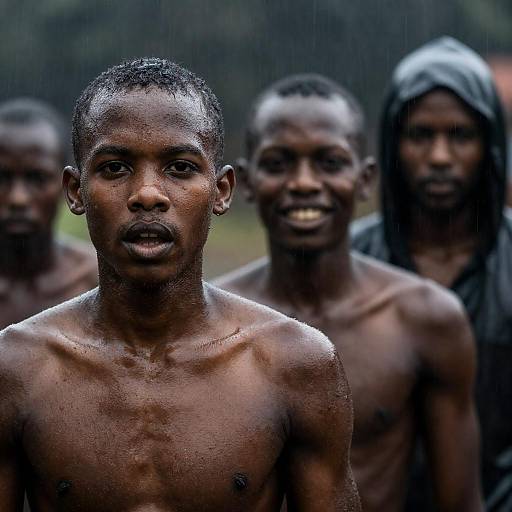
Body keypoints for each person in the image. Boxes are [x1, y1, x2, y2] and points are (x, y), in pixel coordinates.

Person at [0, 58, 360, 512]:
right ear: (75, 191)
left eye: (180, 167)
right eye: (114, 168)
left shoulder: (296, 364)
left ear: (221, 190)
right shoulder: (15, 368)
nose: (147, 194)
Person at [214, 74, 483, 512]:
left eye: (330, 162)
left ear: (364, 178)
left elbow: (461, 502)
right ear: (246, 181)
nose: (303, 182)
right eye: (279, 163)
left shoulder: (424, 319)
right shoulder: (211, 323)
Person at [352, 37, 512, 510]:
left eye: (460, 136)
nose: (440, 156)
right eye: (421, 136)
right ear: (392, 144)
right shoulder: (351, 258)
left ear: (489, 146)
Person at [0, 98, 97, 330]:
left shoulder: (96, 282)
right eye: (1, 178)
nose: (18, 199)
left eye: (37, 178)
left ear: (69, 186)